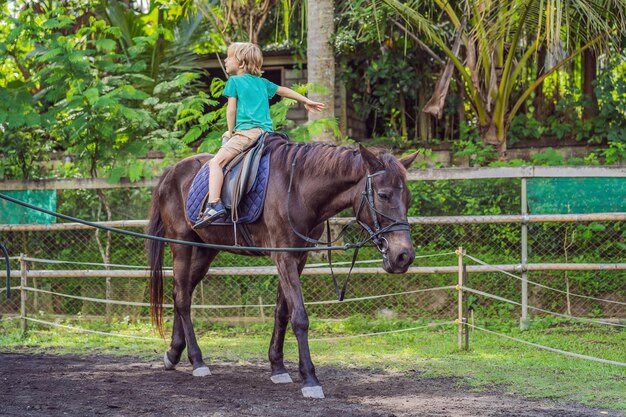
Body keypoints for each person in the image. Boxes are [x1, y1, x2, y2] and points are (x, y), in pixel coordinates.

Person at [193, 42, 325, 229]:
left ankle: (213, 205)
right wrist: (306, 100)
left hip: (246, 134)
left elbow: (231, 110)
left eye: (229, 57)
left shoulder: (234, 82)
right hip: (267, 135)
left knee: (216, 163)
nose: (225, 60)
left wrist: (230, 132)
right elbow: (284, 90)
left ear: (240, 63)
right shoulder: (262, 83)